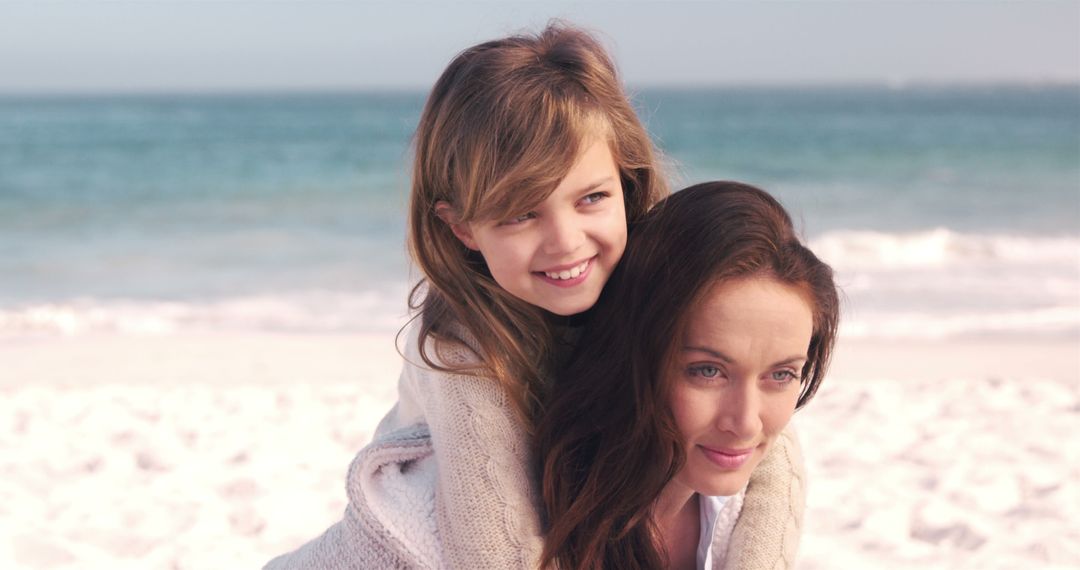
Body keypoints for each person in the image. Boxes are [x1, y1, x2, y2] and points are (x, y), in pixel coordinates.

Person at [266, 24, 807, 569]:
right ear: (463, 228)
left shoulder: (645, 277)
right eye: (522, 212)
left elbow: (766, 445)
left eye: (592, 197)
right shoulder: (463, 350)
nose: (565, 243)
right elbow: (496, 546)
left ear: (628, 181)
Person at [539, 181, 839, 570]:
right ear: (631, 354)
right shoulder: (522, 518)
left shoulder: (746, 513)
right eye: (708, 371)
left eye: (781, 375)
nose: (745, 423)